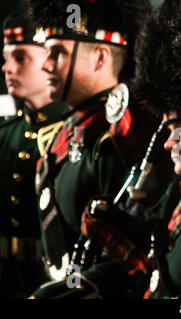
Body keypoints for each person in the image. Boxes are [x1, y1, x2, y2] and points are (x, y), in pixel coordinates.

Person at [27, 0, 163, 298]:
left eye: (58, 53)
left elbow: (140, 246)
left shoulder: (123, 131)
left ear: (100, 57)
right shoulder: (65, 131)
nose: (45, 64)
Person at [0, 13, 67, 298]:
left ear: (48, 60)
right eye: (5, 58)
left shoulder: (70, 134)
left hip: (51, 279)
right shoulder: (6, 132)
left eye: (20, 57)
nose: (7, 68)